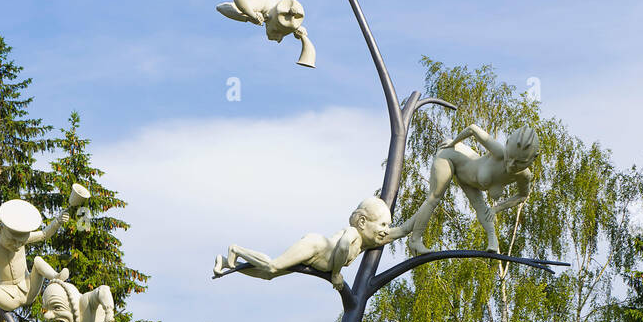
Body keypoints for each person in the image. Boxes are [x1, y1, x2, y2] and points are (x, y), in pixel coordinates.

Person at [386, 124, 539, 255]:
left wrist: (496, 209)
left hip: (470, 182)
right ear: (506, 145)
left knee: (483, 209)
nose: (511, 165)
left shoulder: (523, 176)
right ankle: (415, 239)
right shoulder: (498, 152)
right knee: (434, 198)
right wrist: (453, 142)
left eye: (519, 163)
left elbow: (522, 196)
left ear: (532, 160)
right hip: (450, 157)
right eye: (510, 158)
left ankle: (493, 242)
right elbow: (472, 129)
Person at [214, 196, 394, 291]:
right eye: (383, 224)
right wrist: (336, 274)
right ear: (363, 222)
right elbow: (343, 246)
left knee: (268, 275)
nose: (386, 230)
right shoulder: (353, 232)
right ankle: (236, 249)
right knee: (272, 266)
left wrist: (418, 221)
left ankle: (227, 263)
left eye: (388, 226)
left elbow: (401, 231)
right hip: (315, 247)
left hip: (315, 259)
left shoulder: (365, 243)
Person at [0, 198, 70, 313]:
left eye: (21, 242)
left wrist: (58, 221)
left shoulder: (21, 240)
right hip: (8, 297)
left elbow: (44, 234)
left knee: (38, 260)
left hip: (29, 289)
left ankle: (56, 277)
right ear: (0, 230)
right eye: (12, 241)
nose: (16, 245)